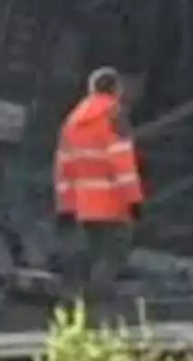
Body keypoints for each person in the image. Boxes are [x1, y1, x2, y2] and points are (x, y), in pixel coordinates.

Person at [54, 66, 144, 306]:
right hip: (111, 202)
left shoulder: (73, 120)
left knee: (88, 253)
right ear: (116, 89)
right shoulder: (115, 116)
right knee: (114, 253)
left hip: (82, 204)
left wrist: (64, 206)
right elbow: (123, 164)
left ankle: (73, 302)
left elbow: (64, 167)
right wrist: (134, 200)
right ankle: (97, 304)